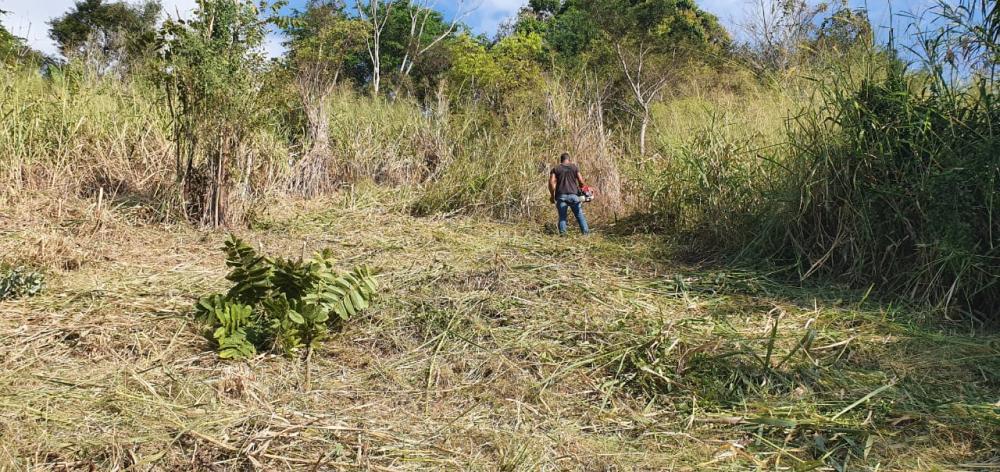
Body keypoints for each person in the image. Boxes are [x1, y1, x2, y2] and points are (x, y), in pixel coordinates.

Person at [549, 152, 590, 236]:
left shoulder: (556, 168)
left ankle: (563, 235)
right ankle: (586, 235)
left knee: (562, 217)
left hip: (561, 196)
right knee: (579, 215)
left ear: (561, 160)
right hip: (574, 196)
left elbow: (551, 182)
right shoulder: (574, 167)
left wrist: (552, 196)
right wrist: (583, 190)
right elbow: (581, 181)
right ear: (569, 160)